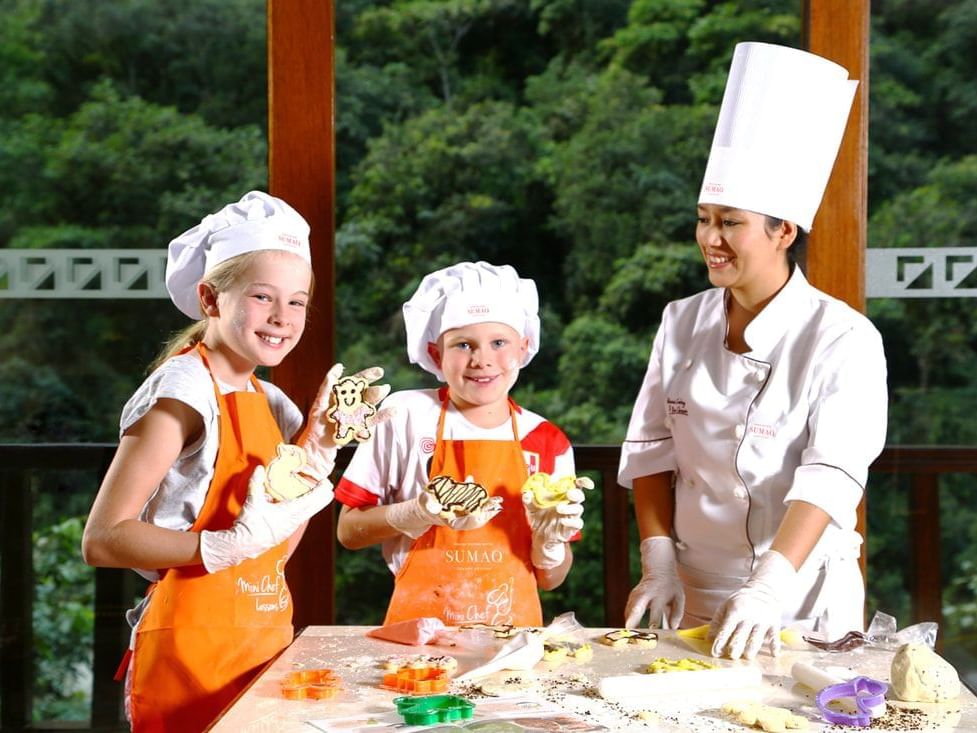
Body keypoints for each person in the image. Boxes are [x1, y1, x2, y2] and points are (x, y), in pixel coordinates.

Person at [619, 42, 888, 660]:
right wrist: (658, 561)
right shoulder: (680, 321)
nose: (710, 238)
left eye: (730, 222)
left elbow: (830, 477)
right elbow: (653, 450)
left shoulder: (842, 337)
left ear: (783, 230)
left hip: (797, 594)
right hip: (691, 586)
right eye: (703, 218)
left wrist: (767, 587)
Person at [81, 191, 388, 731]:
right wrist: (221, 547)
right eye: (262, 297)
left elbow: (275, 546)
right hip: (188, 655)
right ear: (210, 298)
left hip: (263, 640)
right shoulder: (181, 392)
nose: (282, 318)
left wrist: (317, 450)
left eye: (297, 302)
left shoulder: (274, 405)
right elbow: (104, 539)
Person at [335, 261, 589, 627]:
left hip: (511, 642)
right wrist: (415, 514)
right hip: (419, 636)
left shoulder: (547, 440)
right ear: (436, 354)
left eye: (499, 342)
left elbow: (551, 579)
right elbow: (348, 533)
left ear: (524, 347)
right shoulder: (404, 416)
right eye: (462, 344)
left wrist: (549, 545)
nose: (481, 359)